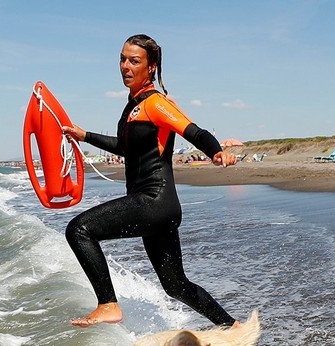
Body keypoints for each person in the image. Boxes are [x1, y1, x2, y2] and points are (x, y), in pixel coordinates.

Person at [60, 34, 237, 328]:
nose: (125, 66)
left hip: (153, 201)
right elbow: (125, 148)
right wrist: (85, 135)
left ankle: (107, 305)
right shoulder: (133, 106)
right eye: (122, 59)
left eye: (134, 61)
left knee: (79, 230)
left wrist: (216, 151)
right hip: (156, 209)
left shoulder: (155, 103)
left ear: (151, 67)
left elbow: (194, 131)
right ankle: (232, 328)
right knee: (176, 285)